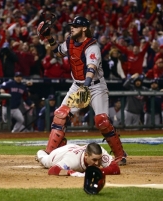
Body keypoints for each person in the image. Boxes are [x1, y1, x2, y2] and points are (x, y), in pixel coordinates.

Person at [40, 16, 127, 165]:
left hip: (95, 86)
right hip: (77, 84)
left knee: (102, 121)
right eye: (71, 25)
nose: (71, 28)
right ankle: (49, 154)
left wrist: (85, 86)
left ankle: (120, 155)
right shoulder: (70, 42)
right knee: (60, 116)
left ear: (84, 28)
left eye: (75, 26)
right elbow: (58, 53)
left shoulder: (92, 46)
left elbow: (91, 68)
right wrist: (49, 37)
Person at [36, 142, 120, 176]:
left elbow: (115, 168)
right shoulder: (72, 161)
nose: (98, 163)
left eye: (99, 159)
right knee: (46, 161)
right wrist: (72, 173)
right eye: (94, 160)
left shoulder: (100, 151)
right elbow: (52, 170)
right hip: (56, 155)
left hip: (74, 147)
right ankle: (41, 152)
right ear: (86, 156)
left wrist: (98, 172)